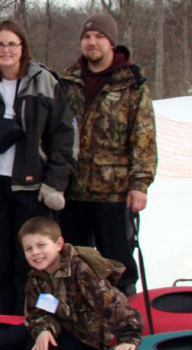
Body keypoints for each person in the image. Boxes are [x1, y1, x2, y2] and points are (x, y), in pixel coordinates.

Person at [0, 19, 76, 316]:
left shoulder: (45, 81)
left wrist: (55, 182)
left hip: (33, 189)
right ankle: (10, 320)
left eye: (11, 44)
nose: (5, 50)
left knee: (30, 261)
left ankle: (36, 321)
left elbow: (64, 136)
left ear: (23, 47)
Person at [58, 13, 157, 296]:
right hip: (73, 190)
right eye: (87, 37)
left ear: (111, 42)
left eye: (99, 37)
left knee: (118, 262)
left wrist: (140, 184)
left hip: (114, 192)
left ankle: (126, 318)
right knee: (74, 261)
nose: (92, 42)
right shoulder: (68, 79)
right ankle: (82, 319)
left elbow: (144, 136)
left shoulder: (131, 82)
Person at [0, 216, 142, 350]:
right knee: (14, 337)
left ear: (59, 244)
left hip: (88, 342)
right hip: (63, 332)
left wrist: (128, 339)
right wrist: (44, 329)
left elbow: (113, 304)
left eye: (41, 245)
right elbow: (38, 314)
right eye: (28, 249)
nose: (35, 252)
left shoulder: (81, 271)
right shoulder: (36, 279)